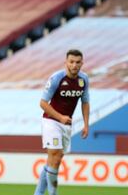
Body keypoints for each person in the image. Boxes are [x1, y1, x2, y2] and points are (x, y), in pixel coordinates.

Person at [34, 49, 90, 195]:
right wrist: (60, 117)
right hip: (51, 121)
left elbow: (85, 102)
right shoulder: (57, 78)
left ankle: (38, 193)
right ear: (66, 62)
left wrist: (86, 124)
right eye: (71, 62)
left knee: (53, 160)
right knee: (56, 156)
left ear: (82, 63)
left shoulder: (83, 80)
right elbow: (43, 103)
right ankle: (53, 193)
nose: (74, 65)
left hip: (66, 124)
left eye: (78, 62)